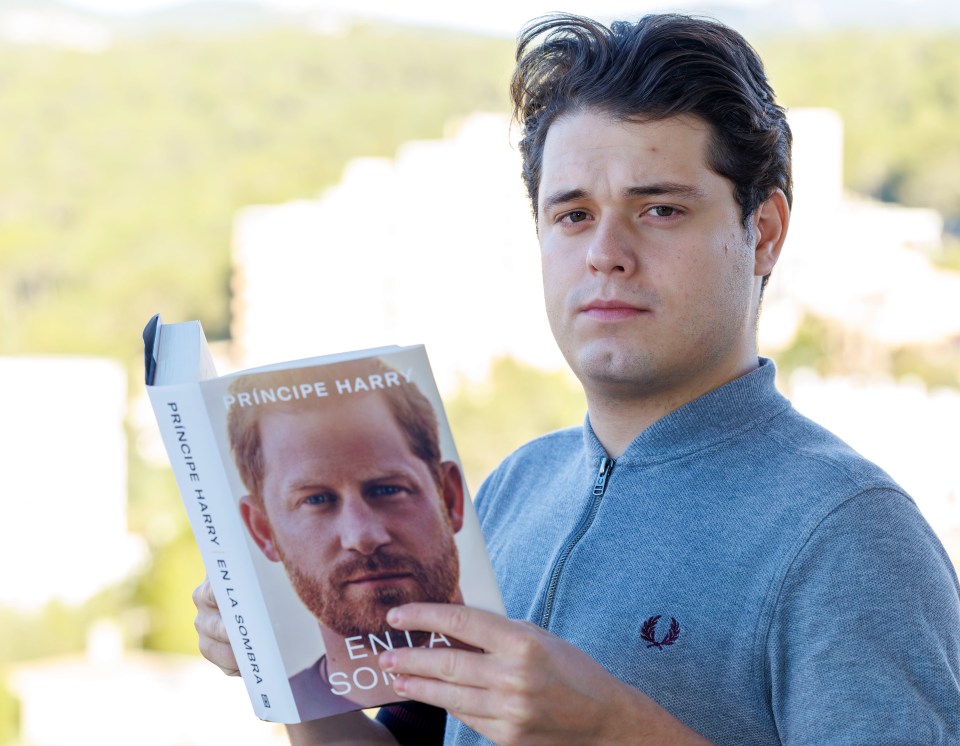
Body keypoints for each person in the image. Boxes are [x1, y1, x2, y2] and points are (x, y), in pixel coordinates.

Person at [194, 12, 960, 745]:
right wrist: (287, 669)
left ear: (762, 232)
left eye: (659, 210)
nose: (606, 252)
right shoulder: (510, 489)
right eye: (571, 214)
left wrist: (613, 732)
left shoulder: (853, 535)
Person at [225, 357, 466, 720]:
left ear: (449, 498)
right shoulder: (292, 701)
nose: (363, 537)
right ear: (263, 531)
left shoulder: (541, 647)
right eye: (316, 500)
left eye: (388, 489)